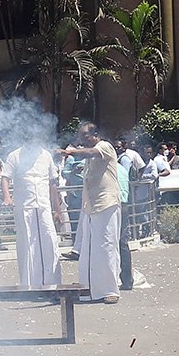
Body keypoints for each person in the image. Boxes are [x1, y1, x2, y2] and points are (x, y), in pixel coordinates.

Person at [59, 122, 121, 302]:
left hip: (106, 204)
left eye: (85, 136)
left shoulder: (104, 147)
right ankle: (89, 288)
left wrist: (69, 152)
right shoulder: (88, 156)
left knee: (107, 246)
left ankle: (110, 290)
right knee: (88, 249)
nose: (81, 140)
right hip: (90, 207)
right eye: (80, 136)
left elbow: (91, 152)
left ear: (95, 134)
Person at [1, 136, 62, 288]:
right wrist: (7, 196)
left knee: (50, 242)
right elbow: (5, 177)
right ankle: (30, 285)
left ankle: (51, 284)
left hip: (43, 206)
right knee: (27, 244)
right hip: (24, 207)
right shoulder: (14, 155)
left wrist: (58, 209)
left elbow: (52, 183)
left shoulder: (46, 155)